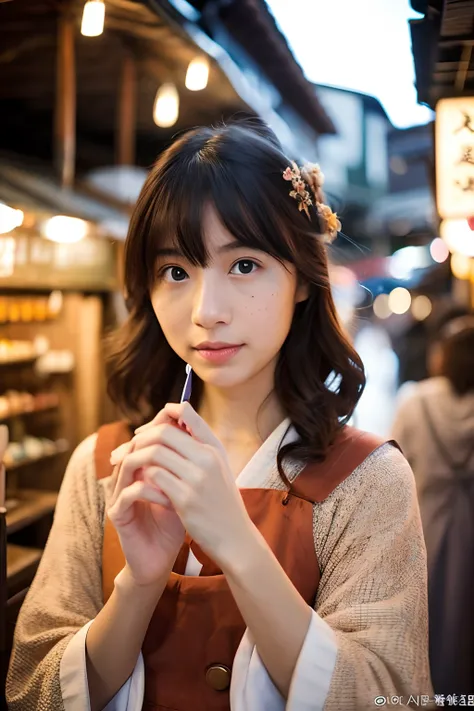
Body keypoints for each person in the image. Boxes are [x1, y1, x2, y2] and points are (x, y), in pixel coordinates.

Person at [6, 119, 432, 711]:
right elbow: (30, 691)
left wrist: (235, 540)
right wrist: (137, 587)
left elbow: (393, 698)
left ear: (303, 279)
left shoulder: (368, 482)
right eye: (176, 271)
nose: (206, 312)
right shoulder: (104, 466)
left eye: (244, 265)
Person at [391, 313, 474, 697]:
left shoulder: (415, 401)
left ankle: (422, 690)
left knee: (425, 609)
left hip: (425, 519)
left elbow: (391, 466)